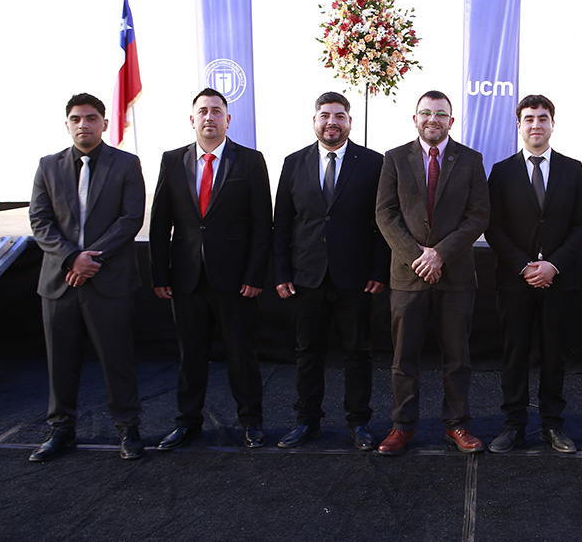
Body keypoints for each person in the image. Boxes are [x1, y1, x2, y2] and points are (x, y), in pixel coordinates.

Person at [149, 88, 272, 449]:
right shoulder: (172, 161)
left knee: (241, 355)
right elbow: (160, 224)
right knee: (190, 356)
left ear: (228, 119)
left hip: (235, 282)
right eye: (202, 111)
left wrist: (254, 276)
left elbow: (261, 224)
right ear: (192, 119)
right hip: (186, 279)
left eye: (216, 111)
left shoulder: (250, 161)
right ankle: (187, 422)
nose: (209, 117)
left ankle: (251, 422)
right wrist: (160, 274)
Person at [28, 93, 146, 462]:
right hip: (60, 283)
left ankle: (128, 428)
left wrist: (91, 258)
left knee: (117, 359)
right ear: (67, 125)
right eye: (76, 119)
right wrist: (71, 259)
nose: (84, 124)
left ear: (105, 123)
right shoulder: (48, 166)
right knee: (60, 362)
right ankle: (61, 429)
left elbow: (131, 218)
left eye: (92, 118)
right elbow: (40, 221)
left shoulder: (126, 164)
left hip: (108, 280)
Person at [374, 90, 490, 456]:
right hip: (407, 275)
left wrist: (440, 255)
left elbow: (478, 215)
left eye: (440, 114)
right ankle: (402, 427)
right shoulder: (395, 158)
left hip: (455, 275)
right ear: (415, 119)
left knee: (457, 357)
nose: (433, 119)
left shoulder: (471, 159)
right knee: (403, 358)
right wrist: (417, 257)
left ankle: (457, 424)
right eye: (426, 112)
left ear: (451, 121)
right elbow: (385, 213)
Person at [272, 92, 389, 451]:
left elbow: (383, 222)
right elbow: (283, 222)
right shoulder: (294, 163)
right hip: (306, 277)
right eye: (325, 115)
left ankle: (359, 422)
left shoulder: (373, 163)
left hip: (356, 279)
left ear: (350, 122)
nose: (332, 122)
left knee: (358, 353)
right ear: (315, 121)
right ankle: (307, 421)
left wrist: (379, 270)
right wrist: (281, 272)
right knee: (307, 352)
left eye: (339, 116)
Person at [485, 95, 582, 454]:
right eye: (529, 119)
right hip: (515, 281)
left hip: (559, 280)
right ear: (519, 125)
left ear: (552, 124)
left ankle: (552, 426)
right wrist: (524, 266)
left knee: (554, 355)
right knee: (514, 355)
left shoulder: (573, 169)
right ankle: (514, 425)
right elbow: (493, 227)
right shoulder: (501, 171)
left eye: (542, 118)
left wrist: (553, 265)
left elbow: (581, 224)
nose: (536, 125)